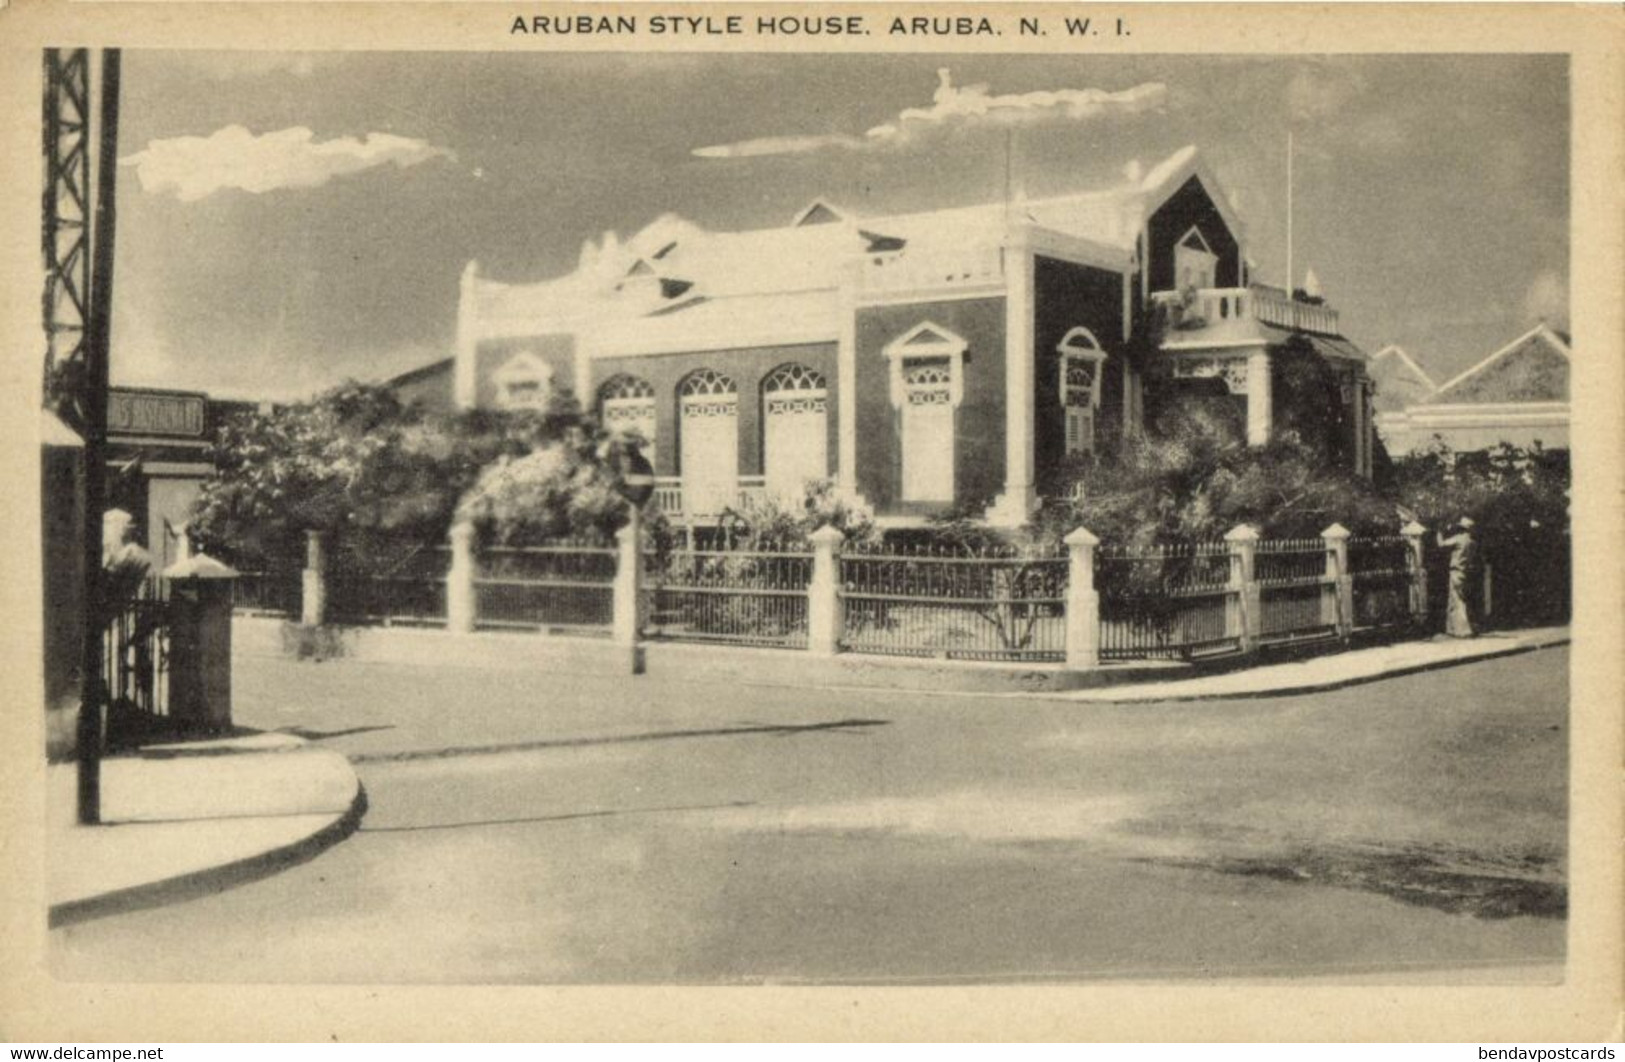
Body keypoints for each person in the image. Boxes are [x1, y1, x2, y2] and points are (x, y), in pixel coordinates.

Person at [1436, 516, 1480, 637]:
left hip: (1456, 571)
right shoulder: (1472, 543)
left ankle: (1464, 630)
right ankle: (1452, 629)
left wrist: (1439, 532)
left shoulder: (1458, 539)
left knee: (1457, 600)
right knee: (1454, 600)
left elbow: (1441, 545)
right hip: (1464, 572)